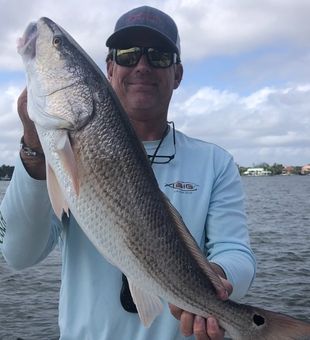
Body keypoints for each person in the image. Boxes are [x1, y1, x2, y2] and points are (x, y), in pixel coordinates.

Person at [0, 6, 256, 340]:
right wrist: (34, 151)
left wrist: (217, 282)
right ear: (109, 69)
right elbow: (19, 255)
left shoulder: (215, 162)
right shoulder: (52, 155)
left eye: (159, 56)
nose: (142, 66)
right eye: (127, 54)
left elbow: (238, 253)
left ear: (178, 74)